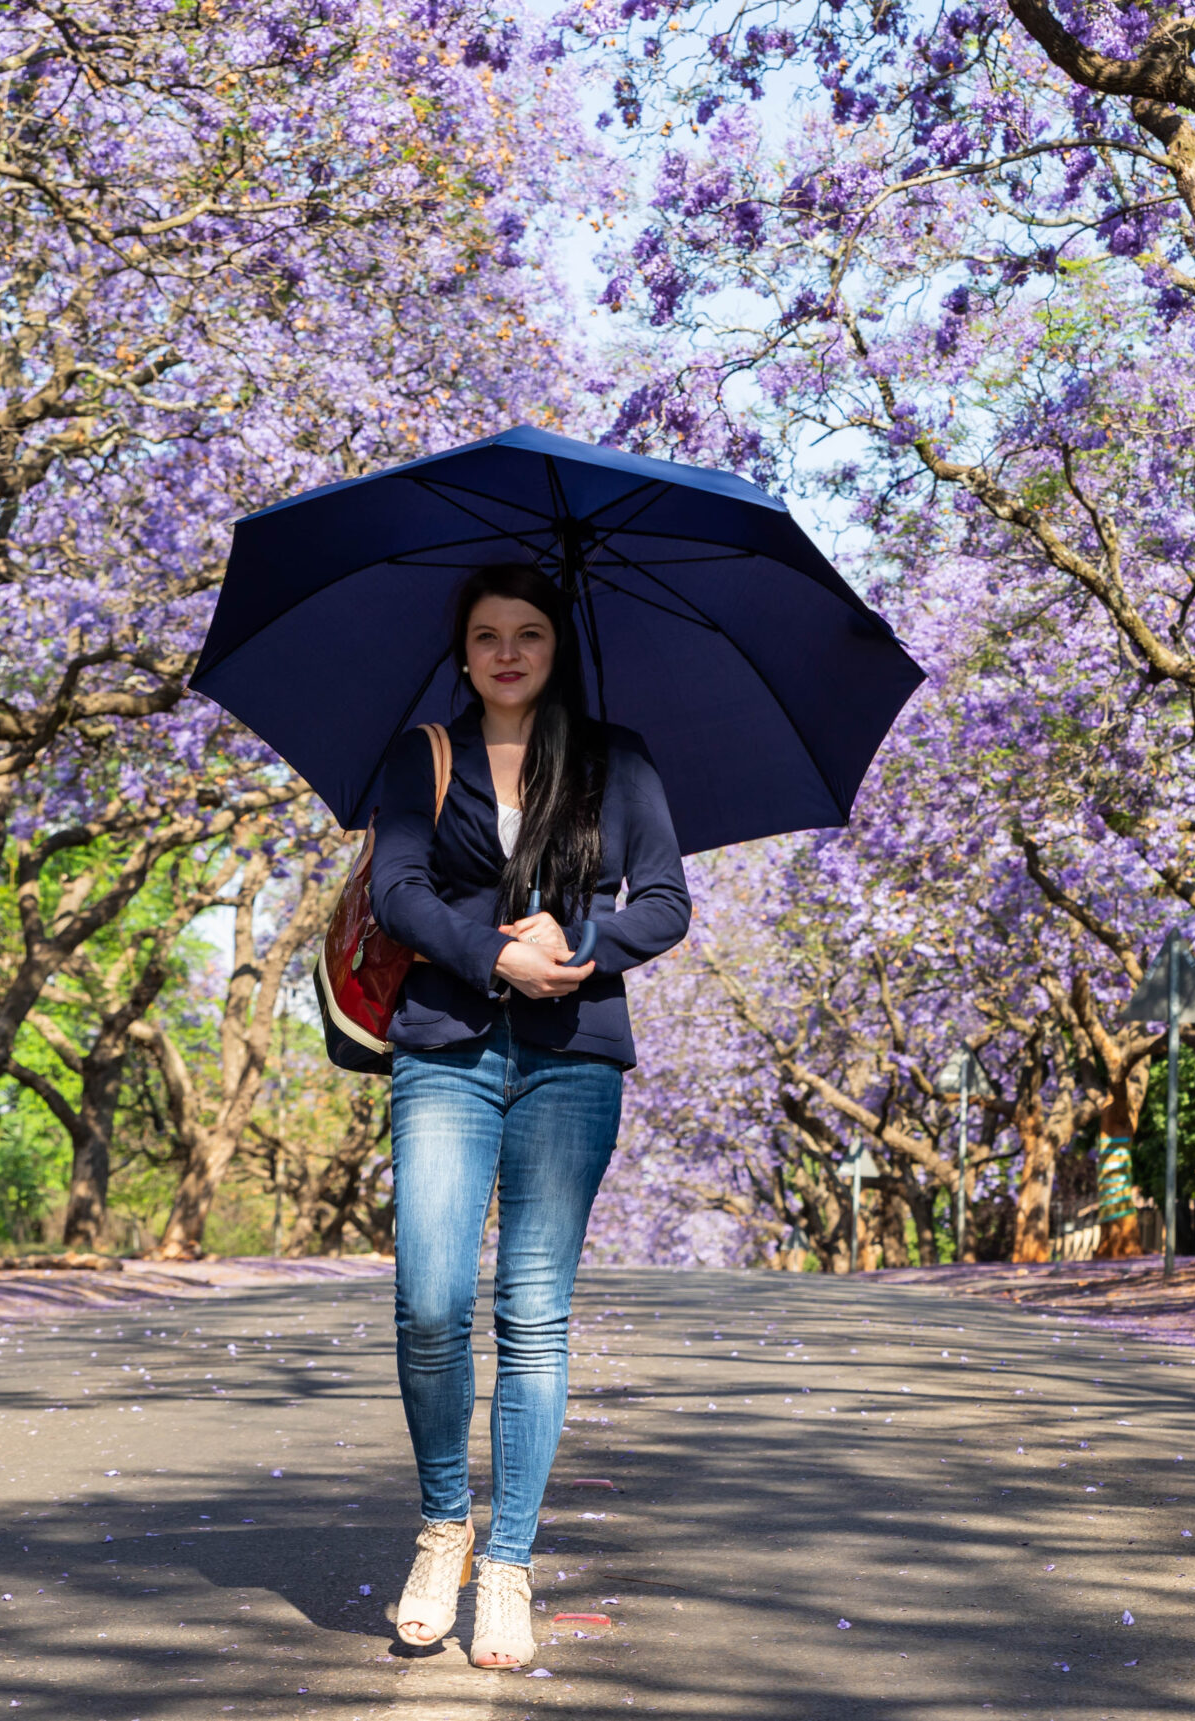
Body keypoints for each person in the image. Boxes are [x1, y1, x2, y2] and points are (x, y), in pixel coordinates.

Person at [365, 561, 690, 1663]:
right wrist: (499, 954)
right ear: (462, 651)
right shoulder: (423, 755)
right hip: (445, 1047)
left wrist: (579, 953)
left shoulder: (618, 762)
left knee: (535, 1313)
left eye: (531, 634)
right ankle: (443, 1525)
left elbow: (665, 900)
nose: (508, 652)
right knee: (429, 1297)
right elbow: (397, 889)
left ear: (558, 650)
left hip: (571, 1056)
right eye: (488, 634)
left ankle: (507, 1562)